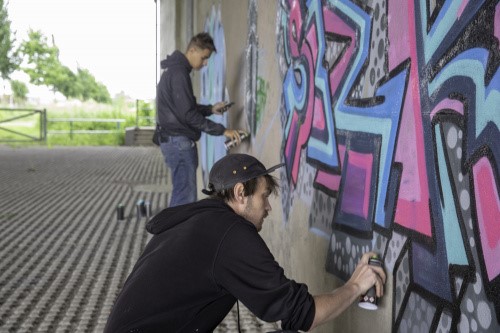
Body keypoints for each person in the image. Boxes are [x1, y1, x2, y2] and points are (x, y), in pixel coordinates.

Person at [104, 154, 386, 333]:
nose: (268, 208)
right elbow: (304, 315)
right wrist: (355, 286)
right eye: (264, 196)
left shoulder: (199, 220)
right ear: (241, 193)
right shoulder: (230, 235)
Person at [155, 32, 242, 207]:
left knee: (182, 196)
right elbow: (188, 115)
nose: (205, 63)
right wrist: (223, 130)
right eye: (204, 58)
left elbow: (184, 108)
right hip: (178, 143)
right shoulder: (179, 74)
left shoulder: (175, 71)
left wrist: (210, 109)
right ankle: (174, 235)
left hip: (173, 141)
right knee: (184, 200)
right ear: (193, 50)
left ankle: (173, 233)